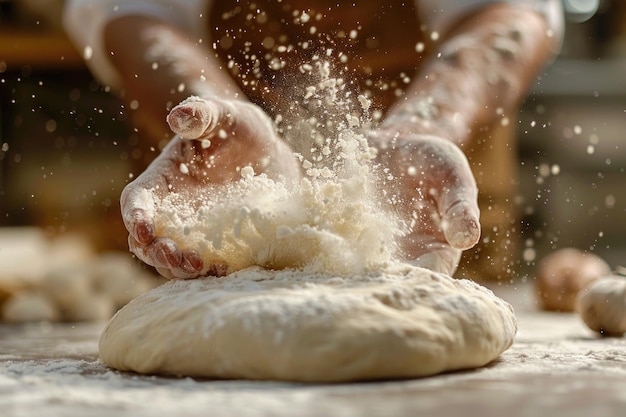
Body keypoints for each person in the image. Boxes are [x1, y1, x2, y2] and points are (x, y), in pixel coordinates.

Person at [63, 0, 563, 280]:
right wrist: (210, 112)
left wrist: (427, 125)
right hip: (213, 231)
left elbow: (509, 12)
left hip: (428, 215)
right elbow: (135, 11)